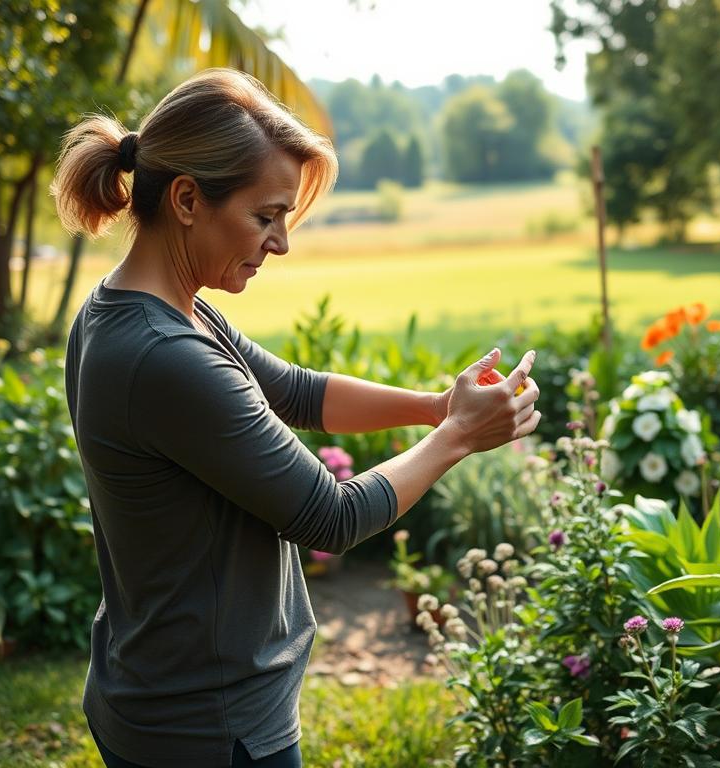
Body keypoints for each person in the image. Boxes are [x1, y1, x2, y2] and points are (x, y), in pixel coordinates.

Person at [52, 68, 541, 768]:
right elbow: (331, 517)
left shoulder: (145, 310)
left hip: (164, 691)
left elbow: (299, 393)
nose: (280, 242)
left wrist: (436, 406)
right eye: (265, 216)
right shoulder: (164, 355)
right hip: (210, 724)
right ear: (187, 199)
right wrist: (458, 435)